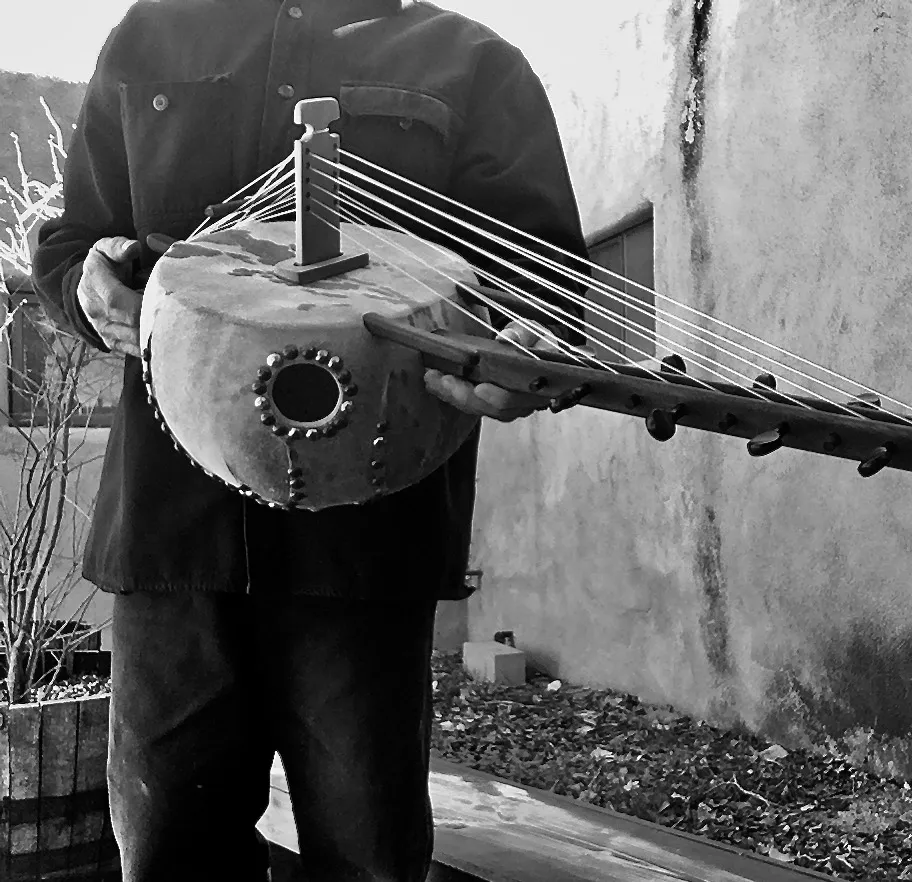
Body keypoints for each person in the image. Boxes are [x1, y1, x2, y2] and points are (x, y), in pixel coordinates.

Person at [32, 2, 588, 880]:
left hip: (367, 541)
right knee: (170, 852)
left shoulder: (471, 61)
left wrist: (524, 345)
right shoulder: (149, 36)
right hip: (172, 532)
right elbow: (70, 244)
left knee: (367, 853)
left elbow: (546, 282)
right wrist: (85, 280)